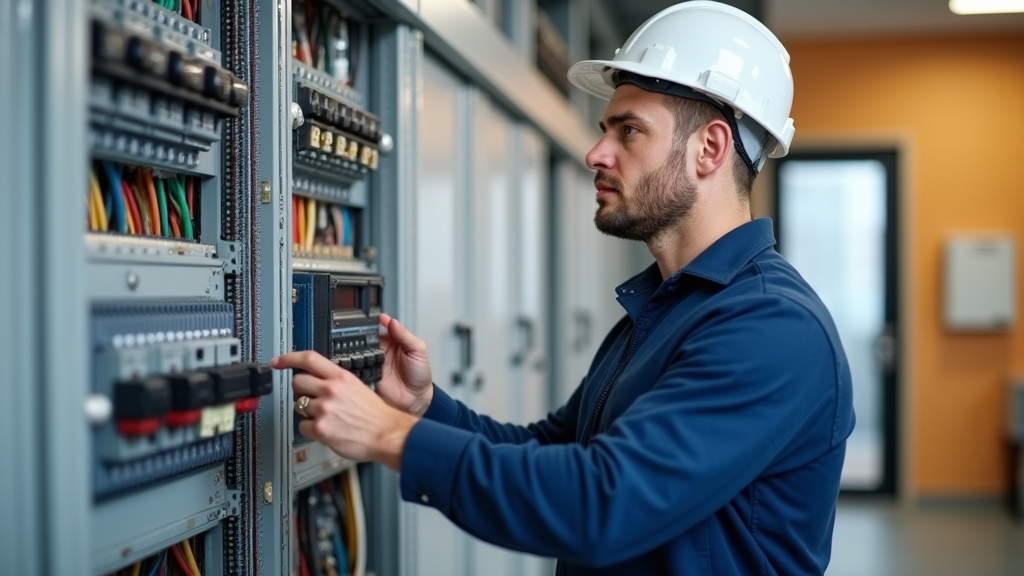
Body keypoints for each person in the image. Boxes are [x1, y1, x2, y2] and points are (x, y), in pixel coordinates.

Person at [271, 2, 855, 574]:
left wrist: (387, 435)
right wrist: (423, 410)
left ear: (710, 149)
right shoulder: (663, 308)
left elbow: (602, 504)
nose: (596, 153)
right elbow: (554, 450)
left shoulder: (772, 328)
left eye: (629, 131)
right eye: (607, 129)